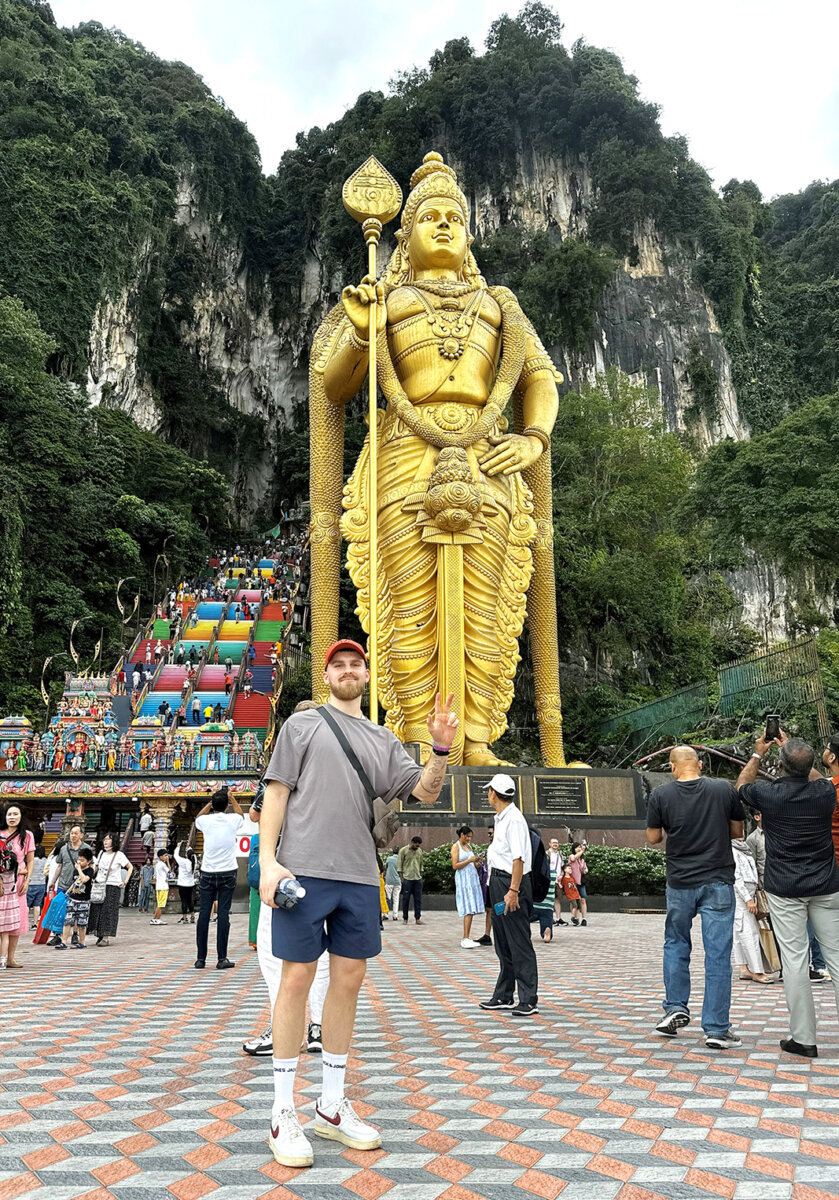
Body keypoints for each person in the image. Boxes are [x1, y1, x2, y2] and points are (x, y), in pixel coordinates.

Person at [257, 639, 456, 1167]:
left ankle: (330, 1104)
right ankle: (282, 1111)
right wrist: (268, 862)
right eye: (338, 665)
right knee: (296, 980)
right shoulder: (301, 726)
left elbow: (425, 792)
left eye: (355, 665)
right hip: (304, 872)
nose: (347, 671)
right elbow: (275, 793)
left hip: (361, 876)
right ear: (327, 677)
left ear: (367, 676)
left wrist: (440, 749)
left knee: (348, 981)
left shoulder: (384, 739)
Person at [737, 729, 839, 1057]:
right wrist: (790, 748)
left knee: (795, 960)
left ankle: (804, 1039)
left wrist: (758, 753)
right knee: (837, 957)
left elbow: (741, 786)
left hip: (786, 887)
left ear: (780, 767)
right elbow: (818, 777)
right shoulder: (825, 792)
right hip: (826, 884)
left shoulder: (769, 795)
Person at [646, 745, 744, 1050]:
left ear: (673, 767)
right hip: (718, 880)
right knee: (718, 954)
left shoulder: (661, 795)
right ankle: (716, 1028)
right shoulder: (723, 789)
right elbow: (738, 832)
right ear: (699, 764)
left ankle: (675, 1007)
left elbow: (653, 837)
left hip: (680, 882)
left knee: (676, 943)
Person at [478, 774, 537, 1016]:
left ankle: (528, 999)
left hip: (511, 885)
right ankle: (504, 995)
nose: (487, 794)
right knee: (503, 941)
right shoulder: (502, 818)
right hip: (499, 884)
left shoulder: (513, 819)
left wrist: (513, 890)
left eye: (488, 791)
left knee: (519, 942)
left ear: (493, 793)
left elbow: (518, 858)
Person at [194, 786, 243, 969]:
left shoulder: (206, 821)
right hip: (228, 871)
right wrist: (232, 798)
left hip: (208, 871)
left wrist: (211, 802)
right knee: (223, 914)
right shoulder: (232, 820)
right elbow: (241, 815)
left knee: (204, 913)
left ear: (213, 805)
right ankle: (222, 958)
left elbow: (198, 817)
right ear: (227, 805)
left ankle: (201, 958)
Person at [731, 836, 776, 984]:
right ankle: (757, 970)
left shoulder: (743, 848)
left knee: (741, 932)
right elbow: (736, 877)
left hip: (750, 892)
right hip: (741, 895)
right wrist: (747, 899)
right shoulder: (731, 849)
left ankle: (744, 968)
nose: (741, 833)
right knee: (749, 932)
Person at [0, 805, 35, 967]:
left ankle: (10, 958)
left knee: (16, 919)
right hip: (1, 882)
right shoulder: (0, 834)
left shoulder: (27, 836)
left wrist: (27, 880)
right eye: (9, 814)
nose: (12, 817)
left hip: (18, 883)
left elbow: (30, 860)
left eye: (15, 814)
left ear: (21, 817)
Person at [87, 832, 132, 947]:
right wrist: (90, 875)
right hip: (100, 885)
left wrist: (125, 880)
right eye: (105, 839)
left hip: (112, 886)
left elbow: (130, 867)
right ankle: (99, 934)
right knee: (97, 909)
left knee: (108, 911)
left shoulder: (119, 855)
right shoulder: (101, 853)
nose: (105, 841)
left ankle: (106, 937)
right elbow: (96, 867)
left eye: (108, 839)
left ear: (114, 841)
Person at [451, 826, 485, 948]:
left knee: (472, 907)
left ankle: (467, 936)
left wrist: (477, 862)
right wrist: (469, 860)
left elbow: (472, 864)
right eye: (468, 836)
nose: (469, 839)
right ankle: (465, 938)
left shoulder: (468, 846)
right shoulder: (456, 846)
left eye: (470, 837)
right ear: (462, 835)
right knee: (468, 907)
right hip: (463, 879)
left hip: (472, 879)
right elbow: (455, 865)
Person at [55, 848, 96, 951]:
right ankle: (64, 942)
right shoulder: (75, 870)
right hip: (73, 899)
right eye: (78, 859)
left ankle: (82, 942)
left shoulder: (90, 870)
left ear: (88, 861)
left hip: (84, 901)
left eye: (82, 860)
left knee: (82, 923)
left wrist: (79, 870)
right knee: (67, 921)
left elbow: (84, 879)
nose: (79, 862)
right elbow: (75, 882)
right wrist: (68, 891)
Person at [398, 837, 425, 925]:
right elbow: (399, 865)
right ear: (412, 842)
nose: (417, 847)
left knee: (418, 900)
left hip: (417, 878)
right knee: (406, 899)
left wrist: (420, 875)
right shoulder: (403, 851)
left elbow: (421, 864)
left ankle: (418, 918)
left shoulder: (419, 851)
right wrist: (402, 878)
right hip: (407, 879)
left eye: (418, 846)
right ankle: (405, 918)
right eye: (416, 845)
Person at [174, 838, 197, 924]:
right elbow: (192, 854)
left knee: (184, 900)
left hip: (182, 884)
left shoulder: (183, 861)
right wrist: (188, 846)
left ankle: (184, 917)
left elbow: (176, 856)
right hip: (190, 883)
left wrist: (178, 847)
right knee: (190, 899)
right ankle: (192, 916)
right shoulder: (194, 862)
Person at [567, 841, 589, 926]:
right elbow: (573, 858)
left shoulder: (582, 860)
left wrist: (585, 870)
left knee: (583, 900)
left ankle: (584, 918)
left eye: (579, 847)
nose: (578, 849)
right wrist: (582, 851)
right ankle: (575, 918)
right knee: (574, 901)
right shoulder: (571, 856)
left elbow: (585, 868)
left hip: (581, 882)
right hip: (573, 883)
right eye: (577, 847)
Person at [27, 846, 47, 927]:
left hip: (31, 884)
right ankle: (35, 924)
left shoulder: (32, 860)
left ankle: (25, 923)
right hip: (41, 884)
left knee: (27, 905)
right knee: (37, 904)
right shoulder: (45, 861)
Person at [150, 849, 170, 925]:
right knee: (161, 904)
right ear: (161, 857)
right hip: (163, 886)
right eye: (165, 855)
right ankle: (157, 918)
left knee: (159, 904)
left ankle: (155, 918)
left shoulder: (158, 864)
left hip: (159, 886)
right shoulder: (163, 864)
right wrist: (168, 862)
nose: (167, 857)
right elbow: (170, 873)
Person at [383, 851, 401, 921]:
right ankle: (395, 915)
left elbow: (385, 867)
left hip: (389, 881)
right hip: (397, 882)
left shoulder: (389, 859)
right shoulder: (400, 860)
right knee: (396, 899)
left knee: (388, 898)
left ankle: (386, 914)